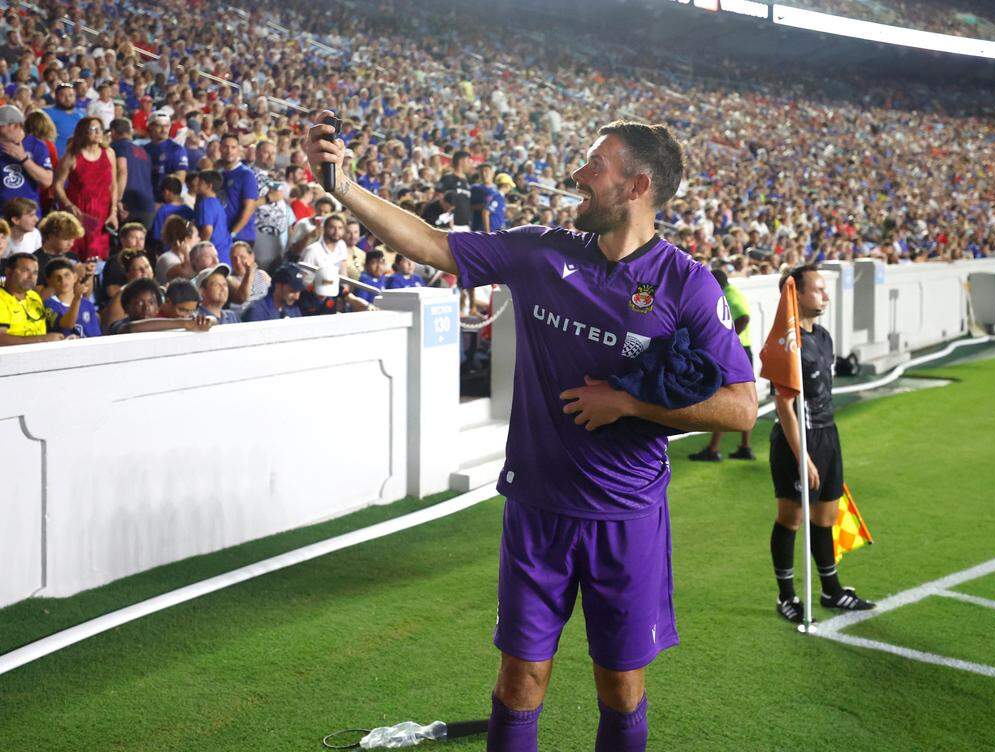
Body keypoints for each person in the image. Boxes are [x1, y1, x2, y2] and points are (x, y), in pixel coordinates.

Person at [307, 112, 758, 752]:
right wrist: (343, 186)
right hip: (538, 510)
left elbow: (740, 407)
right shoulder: (543, 251)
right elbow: (434, 244)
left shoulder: (685, 284)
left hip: (625, 517)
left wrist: (628, 402)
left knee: (620, 687)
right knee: (520, 680)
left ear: (637, 187)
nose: (578, 175)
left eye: (595, 168)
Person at [768, 265, 876, 624]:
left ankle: (831, 590)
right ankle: (786, 597)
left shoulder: (824, 336)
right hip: (797, 438)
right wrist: (803, 458)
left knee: (826, 517)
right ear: (795, 294)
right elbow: (783, 404)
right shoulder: (788, 342)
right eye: (817, 289)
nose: (825, 295)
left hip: (828, 435)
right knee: (792, 517)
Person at [689, 267, 755, 461]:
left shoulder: (727, 295)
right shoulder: (733, 292)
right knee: (744, 398)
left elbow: (744, 317)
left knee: (724, 397)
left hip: (735, 352)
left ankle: (713, 449)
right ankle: (744, 447)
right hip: (743, 350)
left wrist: (728, 338)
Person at [53, 116, 117, 261]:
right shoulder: (72, 156)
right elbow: (57, 184)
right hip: (79, 213)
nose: (97, 133)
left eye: (99, 129)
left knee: (97, 258)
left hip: (102, 214)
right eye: (92, 129)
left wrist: (113, 212)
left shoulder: (109, 153)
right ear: (83, 133)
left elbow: (113, 185)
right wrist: (68, 204)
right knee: (75, 255)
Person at [107, 276, 213, 335]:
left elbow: (213, 319)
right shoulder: (119, 325)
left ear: (158, 306)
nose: (146, 308)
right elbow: (131, 328)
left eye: (151, 302)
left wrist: (205, 322)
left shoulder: (163, 322)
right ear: (127, 306)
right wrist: (184, 323)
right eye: (139, 303)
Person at [0, 252, 65, 345]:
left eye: (35, 272)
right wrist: (43, 340)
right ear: (8, 272)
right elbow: (1, 339)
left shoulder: (34, 296)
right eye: (25, 270)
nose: (31, 277)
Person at [0, 105, 53, 216]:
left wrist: (23, 158)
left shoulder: (36, 146)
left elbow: (47, 181)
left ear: (14, 126)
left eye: (1, 126)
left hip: (28, 216)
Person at [109, 117, 156, 229]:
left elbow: (122, 170)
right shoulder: (143, 151)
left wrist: (117, 200)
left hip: (127, 203)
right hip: (147, 205)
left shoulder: (118, 146)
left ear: (113, 132)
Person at [218, 133, 259, 249]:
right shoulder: (219, 174)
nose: (229, 151)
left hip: (241, 236)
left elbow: (249, 207)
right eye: (226, 147)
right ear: (220, 149)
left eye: (233, 147)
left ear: (239, 150)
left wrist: (233, 232)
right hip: (223, 234)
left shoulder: (246, 174)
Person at [42, 256, 100, 337]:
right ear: (49, 281)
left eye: (67, 275)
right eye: (57, 278)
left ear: (75, 277)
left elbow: (96, 336)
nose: (63, 280)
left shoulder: (87, 304)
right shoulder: (48, 305)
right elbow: (67, 325)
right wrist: (77, 298)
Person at [143, 112, 188, 199]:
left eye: (167, 126)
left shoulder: (177, 150)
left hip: (167, 200)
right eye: (159, 126)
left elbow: (180, 179)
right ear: (151, 127)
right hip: (147, 200)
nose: (164, 130)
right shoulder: (144, 150)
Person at [33, 211, 83, 286]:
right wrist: (72, 276)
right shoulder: (35, 261)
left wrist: (88, 276)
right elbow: (39, 295)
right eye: (66, 239)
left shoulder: (72, 256)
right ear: (51, 235)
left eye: (73, 239)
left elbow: (85, 293)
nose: (71, 244)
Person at [194, 170, 232, 264]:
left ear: (209, 186)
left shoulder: (205, 204)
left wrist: (201, 249)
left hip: (214, 256)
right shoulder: (217, 203)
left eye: (200, 182)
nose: (197, 184)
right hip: (225, 252)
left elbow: (207, 230)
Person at [155, 214, 198, 283]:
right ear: (186, 239)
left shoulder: (183, 258)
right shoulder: (167, 258)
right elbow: (186, 274)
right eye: (197, 236)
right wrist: (187, 253)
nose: (199, 239)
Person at [43, 83, 83, 156]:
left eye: (71, 95)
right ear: (56, 97)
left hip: (77, 157)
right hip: (53, 157)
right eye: (63, 95)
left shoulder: (82, 114)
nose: (67, 99)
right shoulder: (46, 113)